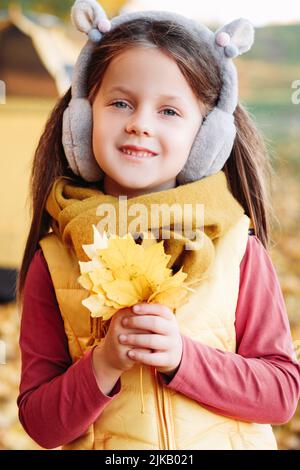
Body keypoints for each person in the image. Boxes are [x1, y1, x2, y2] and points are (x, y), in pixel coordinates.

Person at [16, 0, 300, 450]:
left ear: (206, 137)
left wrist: (184, 358)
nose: (140, 125)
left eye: (169, 111)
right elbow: (40, 424)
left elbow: (281, 394)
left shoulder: (236, 248)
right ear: (83, 117)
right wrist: (102, 365)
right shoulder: (53, 261)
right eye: (121, 102)